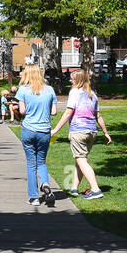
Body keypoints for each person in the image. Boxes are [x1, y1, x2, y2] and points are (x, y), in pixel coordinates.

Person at [51, 68, 113, 199]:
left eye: (72, 79)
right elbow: (98, 116)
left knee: (81, 160)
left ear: (78, 80)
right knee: (80, 160)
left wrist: (55, 130)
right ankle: (74, 188)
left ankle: (95, 189)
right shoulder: (92, 94)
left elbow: (68, 112)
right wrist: (106, 133)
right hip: (92, 132)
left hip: (78, 131)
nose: (70, 80)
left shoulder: (74, 92)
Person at [14, 63, 58, 208]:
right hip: (44, 130)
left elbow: (22, 111)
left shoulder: (23, 90)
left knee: (31, 164)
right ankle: (45, 183)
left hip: (28, 129)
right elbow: (54, 112)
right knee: (42, 162)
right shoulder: (50, 90)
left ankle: (34, 197)